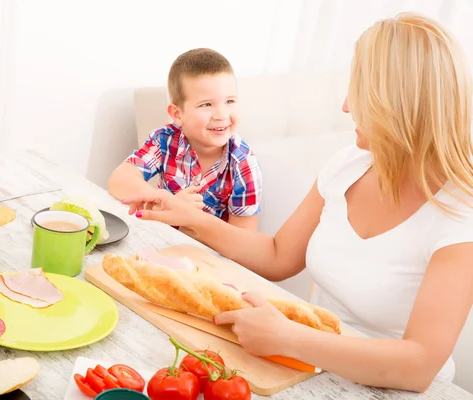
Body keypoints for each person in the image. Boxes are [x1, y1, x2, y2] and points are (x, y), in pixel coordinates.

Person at [120, 13, 473, 392]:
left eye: (358, 91)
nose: (345, 106)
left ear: (398, 104)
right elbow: (278, 255)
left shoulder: (459, 215)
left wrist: (288, 337)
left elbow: (417, 365)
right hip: (315, 372)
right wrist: (194, 219)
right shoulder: (348, 165)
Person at [108, 48, 262, 231]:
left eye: (229, 101)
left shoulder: (243, 163)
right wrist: (166, 202)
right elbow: (119, 179)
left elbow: (242, 242)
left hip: (209, 255)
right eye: (206, 104)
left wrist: (189, 219)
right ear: (177, 114)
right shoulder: (165, 140)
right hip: (164, 241)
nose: (222, 115)